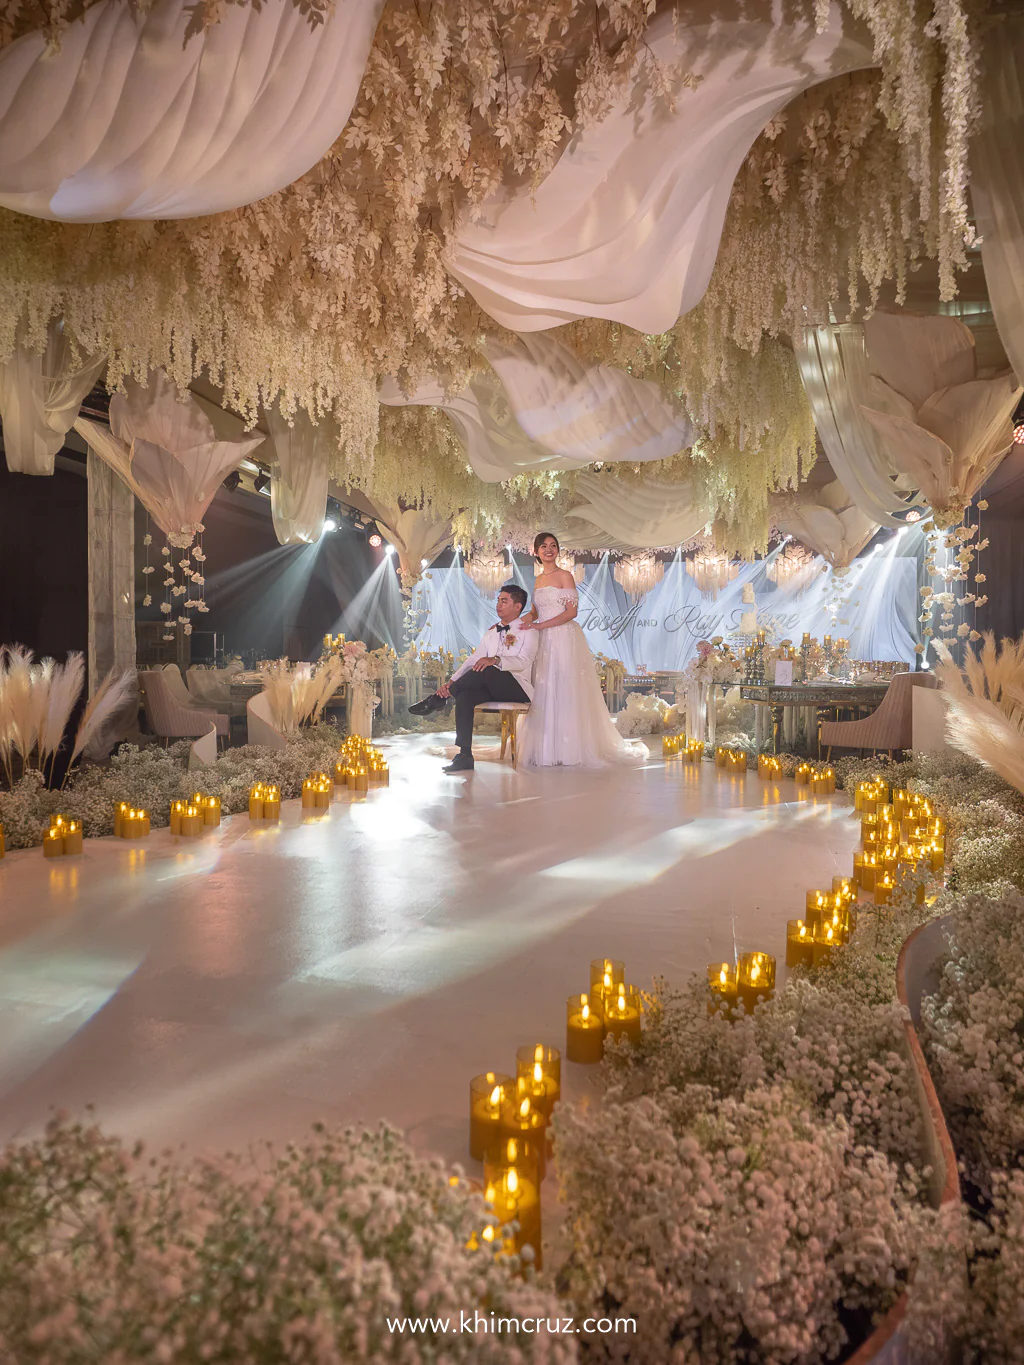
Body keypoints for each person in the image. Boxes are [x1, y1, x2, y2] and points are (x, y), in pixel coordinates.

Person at [517, 532, 647, 769]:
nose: (549, 549)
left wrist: (540, 626)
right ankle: (547, 750)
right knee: (545, 688)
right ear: (535, 551)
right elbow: (536, 612)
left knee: (565, 689)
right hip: (544, 641)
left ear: (558, 550)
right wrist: (517, 624)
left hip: (563, 638)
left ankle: (569, 749)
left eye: (553, 546)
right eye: (543, 546)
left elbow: (570, 613)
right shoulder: (537, 580)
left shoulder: (565, 575)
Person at [408, 582, 539, 774]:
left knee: (487, 668)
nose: (498, 604)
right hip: (492, 686)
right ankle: (465, 755)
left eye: (504, 601)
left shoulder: (529, 630)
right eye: (498, 600)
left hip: (517, 687)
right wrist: (451, 682)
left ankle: (438, 700)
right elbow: (473, 659)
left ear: (518, 606)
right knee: (466, 695)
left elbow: (525, 661)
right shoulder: (491, 632)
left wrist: (495, 659)